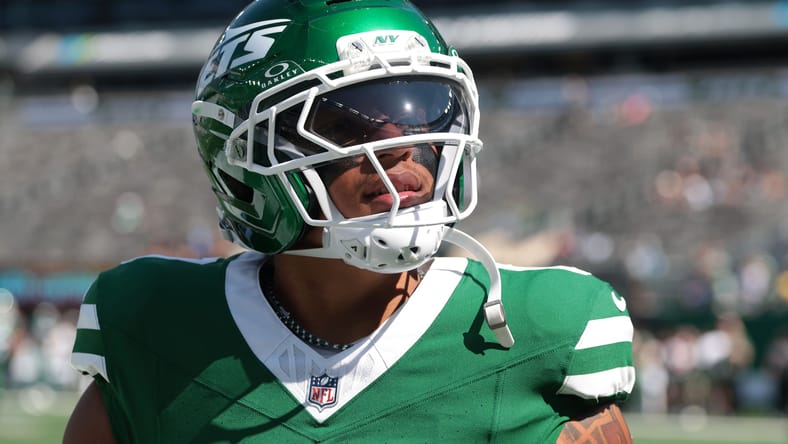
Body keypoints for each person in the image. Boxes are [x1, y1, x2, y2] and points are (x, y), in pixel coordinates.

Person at [64, 0, 636, 442]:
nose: (403, 144)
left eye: (423, 110)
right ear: (245, 163)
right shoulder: (155, 324)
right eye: (347, 122)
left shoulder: (540, 329)